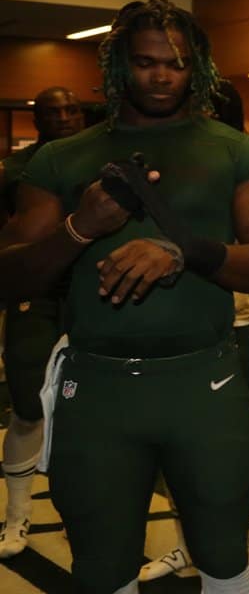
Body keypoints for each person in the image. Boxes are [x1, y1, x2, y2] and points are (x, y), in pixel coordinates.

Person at [0, 0, 249, 594]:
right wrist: (82, 226)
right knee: (103, 569)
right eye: (146, 62)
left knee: (224, 558)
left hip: (202, 383)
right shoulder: (62, 158)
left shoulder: (235, 150)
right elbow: (9, 277)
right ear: (118, 67)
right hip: (98, 388)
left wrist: (186, 253)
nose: (162, 76)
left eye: (179, 64)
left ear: (200, 69)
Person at [139, 79, 249, 581]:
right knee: (175, 437)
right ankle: (188, 543)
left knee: (239, 435)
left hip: (238, 317)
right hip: (173, 320)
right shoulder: (171, 149)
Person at [0, 86, 84, 557]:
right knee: (30, 407)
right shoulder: (17, 169)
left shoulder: (97, 157)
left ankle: (76, 513)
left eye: (72, 109)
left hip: (85, 294)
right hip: (34, 293)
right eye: (54, 111)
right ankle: (17, 515)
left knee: (80, 414)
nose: (65, 117)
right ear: (38, 118)